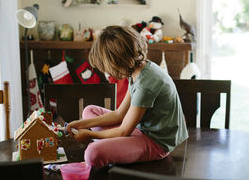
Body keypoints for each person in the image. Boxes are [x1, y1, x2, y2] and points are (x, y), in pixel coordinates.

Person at [67, 26, 188, 168]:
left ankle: (109, 145)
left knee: (92, 154)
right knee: (89, 111)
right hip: (138, 128)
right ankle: (112, 146)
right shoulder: (138, 70)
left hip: (156, 143)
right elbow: (119, 114)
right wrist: (80, 124)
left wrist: (90, 135)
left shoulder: (145, 85)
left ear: (117, 62)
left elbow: (124, 131)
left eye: (107, 69)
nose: (109, 74)